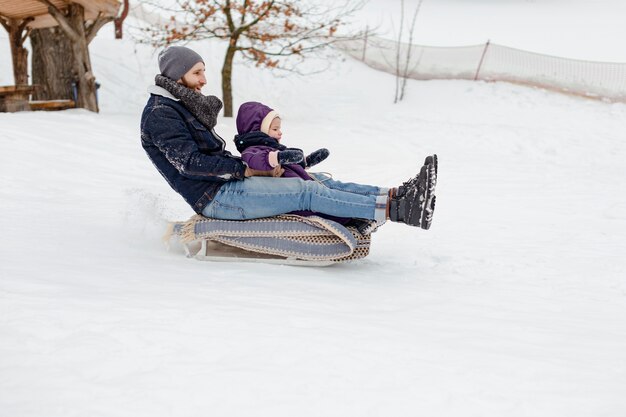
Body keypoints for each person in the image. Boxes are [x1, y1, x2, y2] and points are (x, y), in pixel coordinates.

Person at [140, 46, 437, 231]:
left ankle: (397, 195)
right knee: (303, 191)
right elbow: (189, 164)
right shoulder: (161, 114)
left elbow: (210, 157)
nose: (204, 80)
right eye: (197, 73)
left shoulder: (179, 106)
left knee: (317, 179)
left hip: (227, 184)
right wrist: (246, 168)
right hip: (215, 198)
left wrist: (259, 166)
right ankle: (398, 212)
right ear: (178, 75)